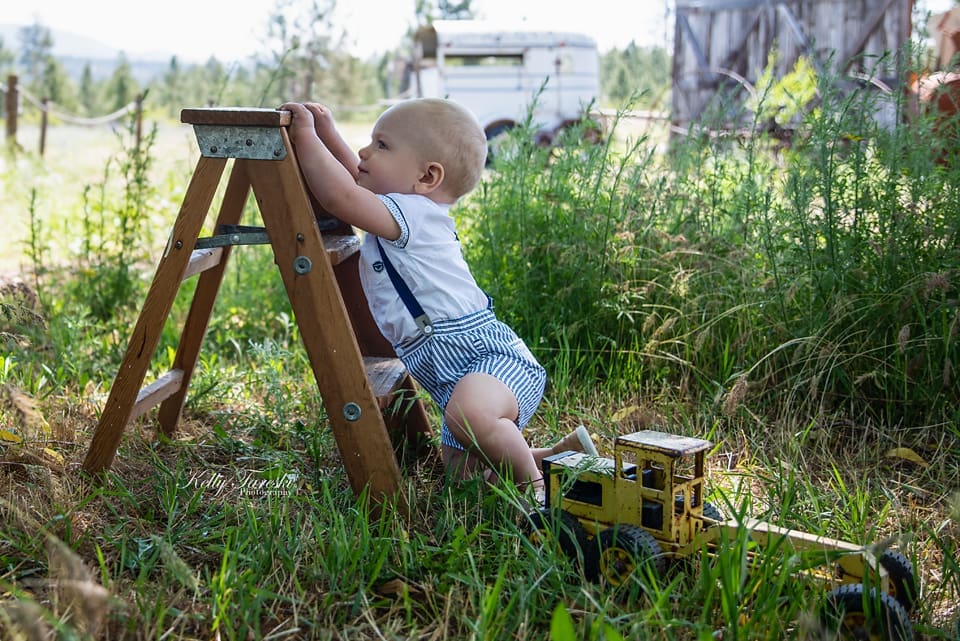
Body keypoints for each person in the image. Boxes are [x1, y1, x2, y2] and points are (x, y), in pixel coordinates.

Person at [280, 98, 595, 500]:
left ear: (427, 176)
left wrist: (304, 135)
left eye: (382, 145)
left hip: (490, 361)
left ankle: (536, 494)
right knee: (463, 477)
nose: (364, 153)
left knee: (470, 418)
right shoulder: (404, 206)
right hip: (454, 377)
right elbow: (357, 179)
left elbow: (341, 196)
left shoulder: (413, 215)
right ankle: (554, 458)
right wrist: (328, 133)